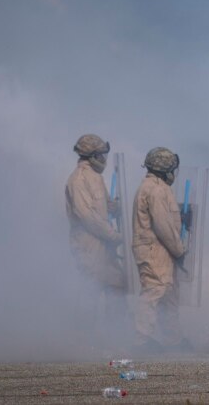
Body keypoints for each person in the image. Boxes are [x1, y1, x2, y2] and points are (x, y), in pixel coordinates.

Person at [132, 147, 187, 352]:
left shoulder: (155, 187)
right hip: (156, 248)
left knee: (168, 293)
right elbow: (163, 226)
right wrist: (180, 250)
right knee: (155, 290)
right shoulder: (156, 189)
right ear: (165, 170)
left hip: (159, 249)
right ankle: (141, 339)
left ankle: (173, 339)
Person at [64, 134, 125, 311]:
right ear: (91, 156)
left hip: (104, 244)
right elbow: (88, 218)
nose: (103, 159)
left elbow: (105, 206)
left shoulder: (95, 177)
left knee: (118, 286)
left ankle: (116, 333)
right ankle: (83, 336)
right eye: (100, 155)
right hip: (88, 245)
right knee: (90, 290)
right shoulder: (78, 179)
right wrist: (114, 236)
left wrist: (119, 207)